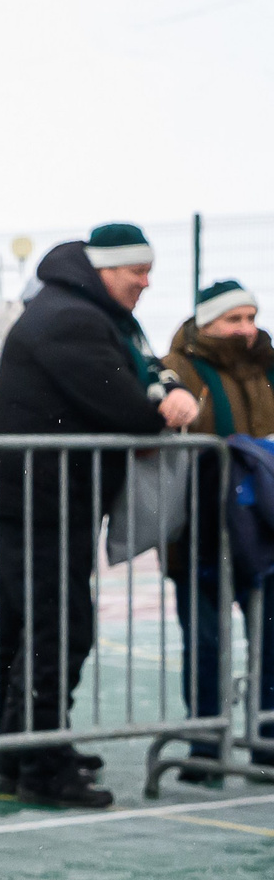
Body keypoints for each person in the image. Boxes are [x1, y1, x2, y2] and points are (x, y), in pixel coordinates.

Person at [0, 223, 199, 806]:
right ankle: (40, 764)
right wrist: (162, 409)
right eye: (138, 272)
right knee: (60, 627)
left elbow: (149, 367)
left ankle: (23, 749)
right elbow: (124, 404)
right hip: (42, 501)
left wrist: (162, 388)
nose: (146, 284)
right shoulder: (72, 319)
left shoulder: (91, 311)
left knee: (45, 625)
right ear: (107, 269)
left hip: (50, 499)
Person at [162, 279, 274, 766]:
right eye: (234, 319)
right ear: (206, 321)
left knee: (270, 637)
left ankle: (267, 739)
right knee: (206, 640)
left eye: (251, 318)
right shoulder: (178, 368)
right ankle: (205, 745)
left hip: (265, 529)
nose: (246, 329)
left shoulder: (267, 365)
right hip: (200, 531)